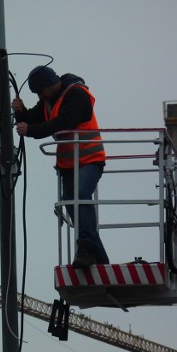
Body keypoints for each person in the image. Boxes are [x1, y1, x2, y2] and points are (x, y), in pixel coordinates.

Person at [12, 65, 110, 267]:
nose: (39, 96)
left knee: (81, 196)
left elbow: (64, 122)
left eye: (40, 91)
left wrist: (30, 130)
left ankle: (86, 247)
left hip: (90, 159)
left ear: (48, 84)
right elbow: (33, 119)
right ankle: (97, 255)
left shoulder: (77, 94)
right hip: (68, 164)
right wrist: (21, 113)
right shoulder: (48, 100)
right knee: (71, 202)